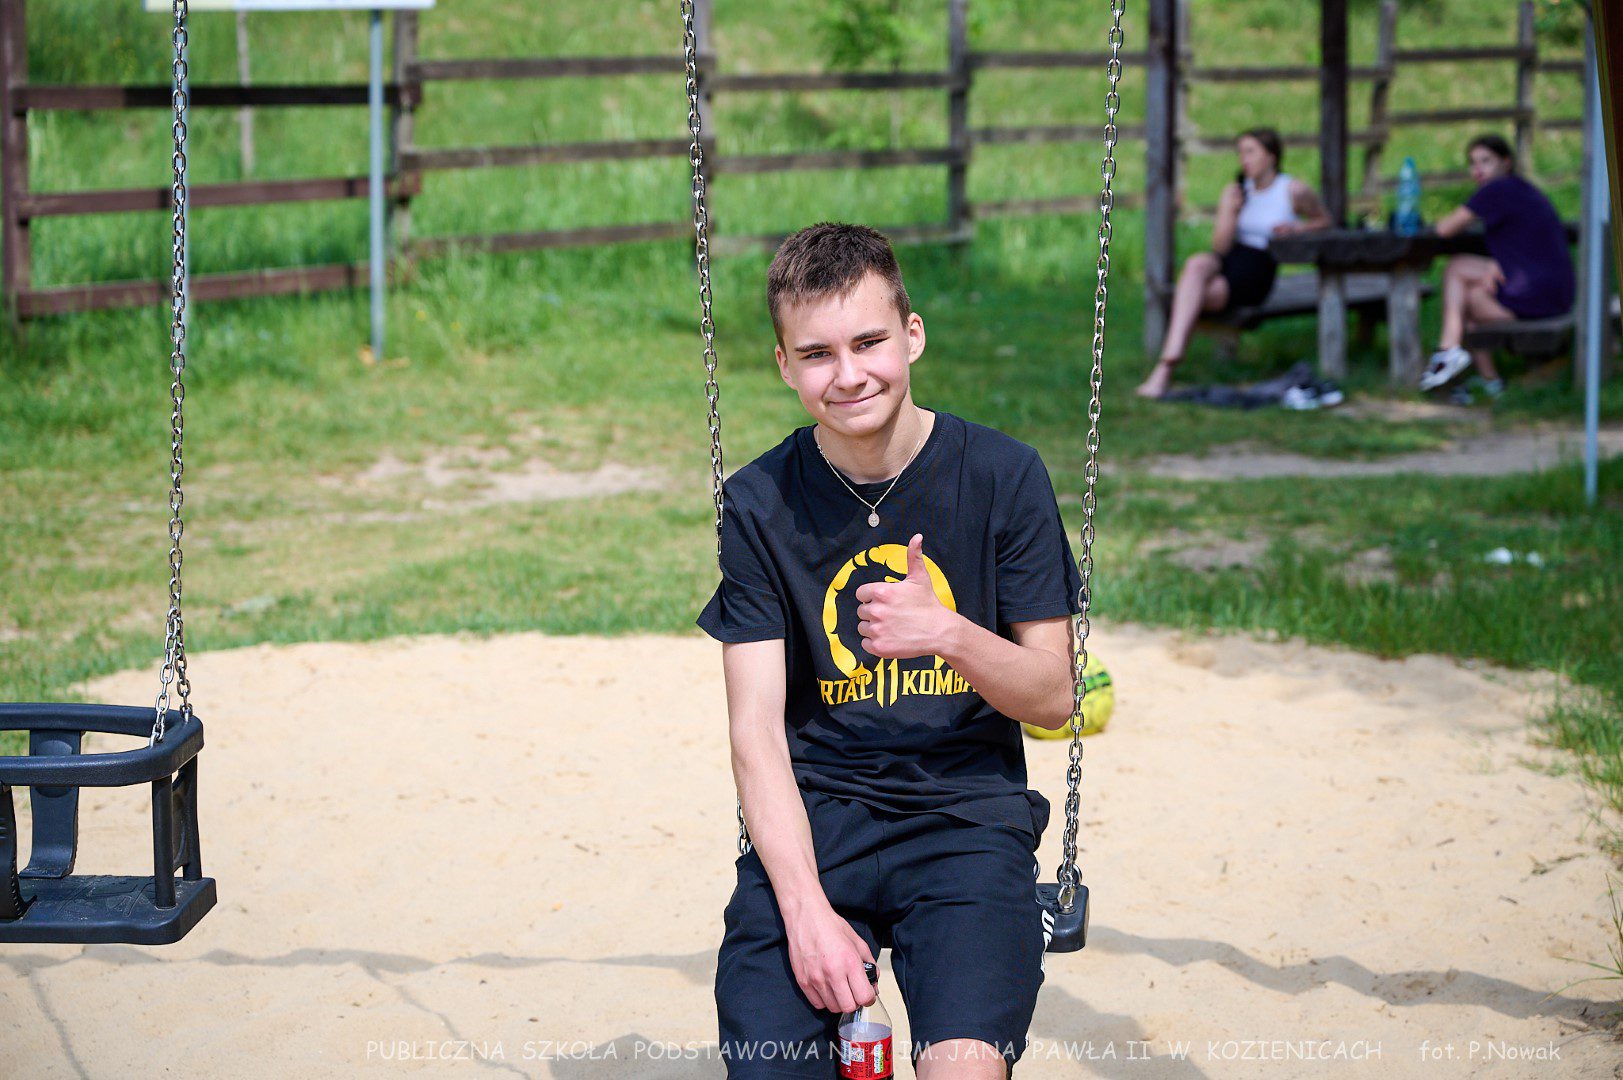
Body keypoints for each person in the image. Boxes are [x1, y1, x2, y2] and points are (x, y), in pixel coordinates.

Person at [698, 222, 1085, 1079]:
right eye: (816, 354)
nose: (848, 375)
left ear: (911, 335)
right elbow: (754, 730)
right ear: (784, 365)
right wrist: (806, 913)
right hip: (817, 821)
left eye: (868, 342)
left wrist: (945, 631)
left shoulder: (1002, 476)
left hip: (964, 820)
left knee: (963, 1066)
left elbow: (1054, 698)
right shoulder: (758, 503)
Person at [1136, 127, 1332, 398]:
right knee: (1196, 264)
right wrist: (1229, 211)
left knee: (1192, 293)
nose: (1244, 160)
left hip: (1258, 267)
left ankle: (1165, 368)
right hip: (1231, 257)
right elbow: (1220, 247)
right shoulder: (1238, 191)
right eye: (1240, 153)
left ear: (1271, 156)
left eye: (1250, 152)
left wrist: (1297, 229)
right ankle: (1169, 361)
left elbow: (1324, 220)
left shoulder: (1292, 189)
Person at [1419, 134, 1576, 397]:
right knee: (1470, 298)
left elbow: (1445, 229)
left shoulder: (1497, 189)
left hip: (1537, 292)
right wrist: (1494, 263)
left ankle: (1447, 351)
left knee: (1456, 267)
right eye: (1473, 163)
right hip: (1555, 297)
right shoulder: (1521, 188)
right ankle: (1491, 383)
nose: (1478, 169)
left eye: (1486, 161)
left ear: (1506, 162)